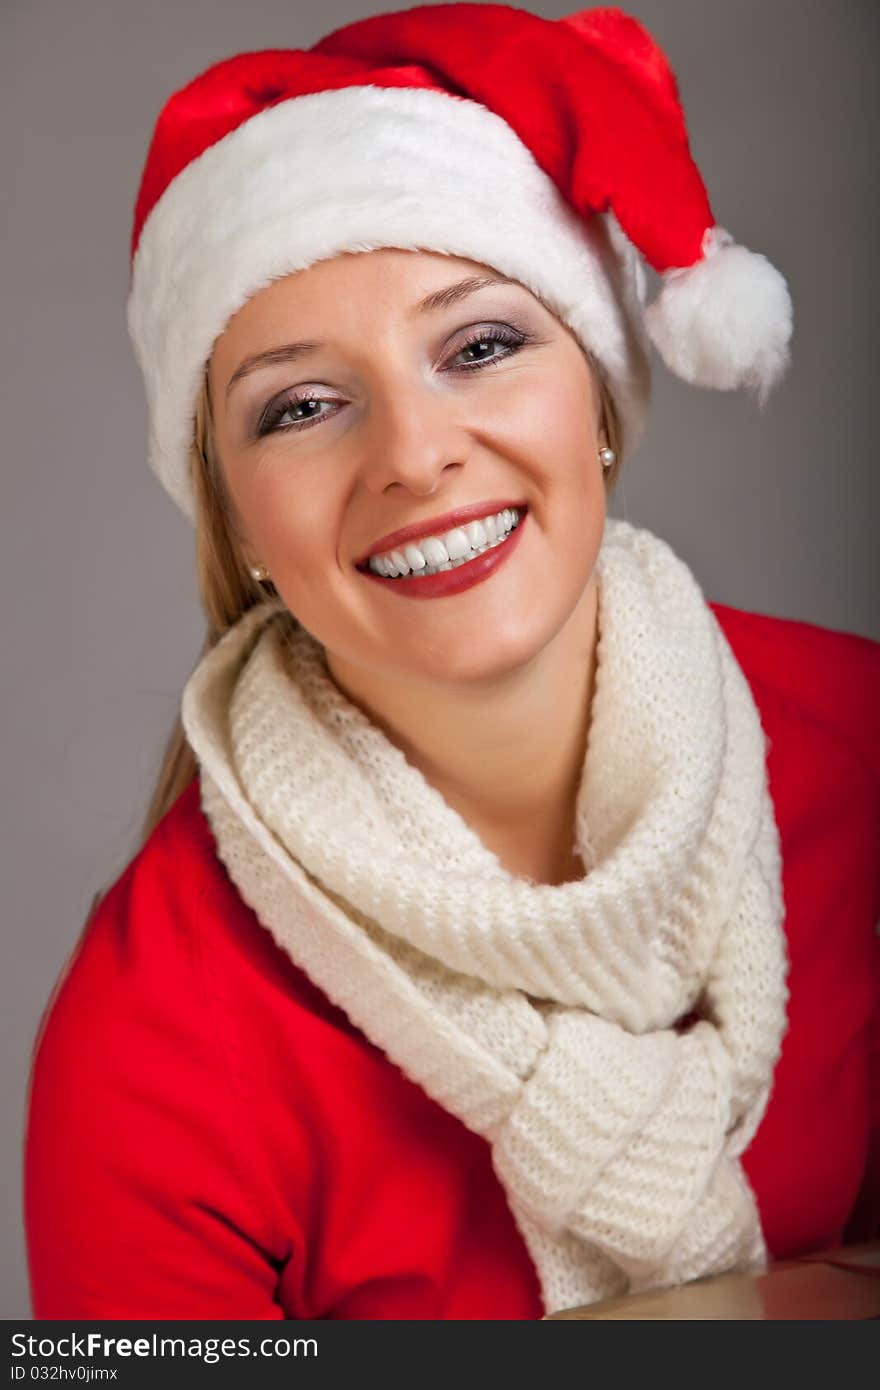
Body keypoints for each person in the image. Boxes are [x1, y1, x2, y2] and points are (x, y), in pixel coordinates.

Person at [24, 3, 879, 1320]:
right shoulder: (147, 1038)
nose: (415, 456)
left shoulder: (861, 753)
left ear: (599, 396)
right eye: (301, 405)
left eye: (481, 346)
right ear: (238, 519)